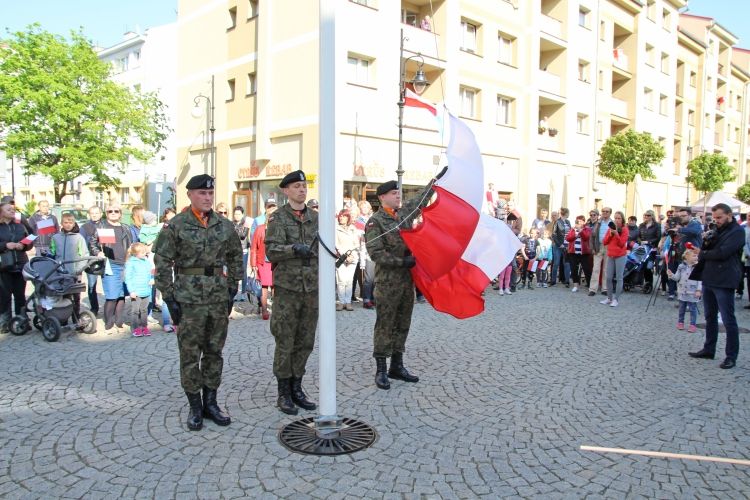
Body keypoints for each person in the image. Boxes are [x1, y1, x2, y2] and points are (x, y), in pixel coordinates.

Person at [154, 174, 243, 430]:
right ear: (190, 195)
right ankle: (195, 406)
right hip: (188, 299)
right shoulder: (177, 225)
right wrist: (169, 297)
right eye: (202, 193)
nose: (207, 197)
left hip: (217, 297)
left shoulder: (224, 225)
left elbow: (236, 257)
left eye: (210, 193)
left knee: (214, 352)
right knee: (190, 354)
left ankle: (211, 403)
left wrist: (232, 288)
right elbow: (162, 263)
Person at [265, 171, 319, 415]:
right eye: (297, 186)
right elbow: (272, 251)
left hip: (311, 289)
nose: (302, 190)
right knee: (285, 341)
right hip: (288, 289)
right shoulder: (278, 218)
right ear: (285, 191)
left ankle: (298, 387)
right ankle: (283, 392)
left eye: (304, 186)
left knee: (305, 341)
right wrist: (293, 249)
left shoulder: (316, 218)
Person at [366, 180, 425, 390]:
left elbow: (420, 200)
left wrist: (436, 183)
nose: (398, 196)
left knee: (403, 323)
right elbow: (376, 253)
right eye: (393, 193)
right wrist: (402, 262)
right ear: (382, 197)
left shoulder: (404, 214)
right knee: (385, 325)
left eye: (399, 192)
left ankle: (397, 366)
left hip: (406, 283)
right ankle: (381, 369)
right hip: (387, 283)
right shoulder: (376, 222)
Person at [688, 203, 745, 369]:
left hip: (725, 279)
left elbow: (723, 253)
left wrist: (702, 252)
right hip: (709, 276)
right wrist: (707, 241)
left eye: (719, 217)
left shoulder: (737, 231)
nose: (717, 221)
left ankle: (731, 356)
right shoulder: (717, 229)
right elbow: (712, 249)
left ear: (729, 215)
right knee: (709, 316)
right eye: (715, 218)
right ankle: (709, 348)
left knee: (728, 319)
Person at [90, 204, 133, 334]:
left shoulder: (125, 227)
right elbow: (92, 243)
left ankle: (119, 321)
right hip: (110, 264)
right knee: (112, 295)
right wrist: (98, 252)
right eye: (110, 211)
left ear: (120, 214)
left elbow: (131, 244)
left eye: (116, 211)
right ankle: (109, 322)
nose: (113, 213)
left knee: (121, 295)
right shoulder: (101, 227)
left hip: (124, 263)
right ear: (106, 214)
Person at [0, 201, 33, 334]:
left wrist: (24, 246)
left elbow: (30, 240)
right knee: (4, 296)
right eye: (8, 210)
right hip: (4, 266)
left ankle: (22, 321)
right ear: (1, 212)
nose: (12, 211)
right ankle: (5, 322)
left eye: (13, 209)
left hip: (20, 264)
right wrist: (5, 245)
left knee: (20, 296)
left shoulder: (20, 226)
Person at [49, 213, 90, 317]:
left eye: (70, 222)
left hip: (74, 272)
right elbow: (52, 253)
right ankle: (64, 317)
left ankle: (76, 317)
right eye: (65, 222)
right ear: (61, 223)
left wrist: (79, 269)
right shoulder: (55, 237)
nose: (68, 225)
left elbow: (84, 254)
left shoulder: (79, 238)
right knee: (63, 296)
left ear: (74, 223)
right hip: (60, 273)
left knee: (76, 296)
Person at [250, 198, 277, 320]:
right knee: (265, 286)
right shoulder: (260, 228)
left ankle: (276, 309)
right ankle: (264, 309)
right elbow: (253, 247)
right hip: (263, 261)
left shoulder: (278, 229)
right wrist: (253, 264)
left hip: (276, 261)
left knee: (275, 285)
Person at [667, 249, 701, 333]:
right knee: (682, 308)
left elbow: (700, 280)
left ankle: (692, 324)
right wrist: (671, 275)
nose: (696, 257)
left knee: (693, 309)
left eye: (696, 256)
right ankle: (680, 322)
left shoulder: (698, 267)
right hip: (682, 291)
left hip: (693, 292)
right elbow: (677, 278)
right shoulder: (681, 267)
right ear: (686, 257)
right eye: (694, 255)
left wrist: (699, 290)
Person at [125, 242, 154, 337]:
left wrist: (152, 279)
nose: (145, 254)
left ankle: (144, 327)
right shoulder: (131, 263)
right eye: (142, 252)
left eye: (145, 252)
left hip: (146, 290)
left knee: (144, 310)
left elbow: (151, 272)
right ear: (136, 253)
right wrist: (131, 291)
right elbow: (128, 278)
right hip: (136, 291)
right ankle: (135, 328)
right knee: (135, 311)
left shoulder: (146, 261)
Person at [600, 211, 629, 307]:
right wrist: (611, 234)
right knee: (608, 277)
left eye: (619, 218)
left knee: (619, 278)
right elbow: (604, 242)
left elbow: (621, 244)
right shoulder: (610, 228)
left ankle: (616, 299)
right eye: (615, 218)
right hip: (611, 254)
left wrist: (617, 234)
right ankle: (609, 298)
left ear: (622, 219)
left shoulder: (624, 229)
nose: (617, 220)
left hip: (620, 255)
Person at [79, 205, 103, 315]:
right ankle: (94, 308)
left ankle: (110, 308)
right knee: (92, 285)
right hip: (91, 260)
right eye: (92, 213)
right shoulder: (84, 227)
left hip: (105, 259)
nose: (94, 215)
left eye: (96, 213)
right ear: (89, 214)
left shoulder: (106, 225)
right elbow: (81, 244)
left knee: (108, 285)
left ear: (101, 214)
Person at [335, 209, 359, 311]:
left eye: (344, 216)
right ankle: (341, 302)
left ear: (348, 217)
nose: (341, 218)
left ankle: (348, 302)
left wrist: (351, 255)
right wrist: (344, 255)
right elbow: (336, 244)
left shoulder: (353, 229)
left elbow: (356, 244)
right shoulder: (335, 229)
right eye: (340, 216)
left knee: (349, 281)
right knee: (341, 281)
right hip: (340, 258)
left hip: (352, 257)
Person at [357, 200, 376, 309]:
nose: (364, 209)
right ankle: (366, 299)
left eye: (366, 207)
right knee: (368, 278)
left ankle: (373, 298)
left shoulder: (374, 218)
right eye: (362, 207)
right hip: (366, 251)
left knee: (374, 278)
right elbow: (360, 237)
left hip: (376, 250)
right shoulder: (358, 221)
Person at [566, 215, 592, 293]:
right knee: (574, 269)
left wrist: (580, 230)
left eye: (580, 221)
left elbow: (586, 237)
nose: (579, 222)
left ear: (584, 222)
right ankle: (575, 285)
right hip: (573, 252)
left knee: (587, 269)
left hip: (584, 253)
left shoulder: (587, 229)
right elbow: (568, 238)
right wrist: (575, 234)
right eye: (577, 221)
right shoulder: (572, 229)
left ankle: (590, 285)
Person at [638, 209, 662, 291]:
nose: (646, 217)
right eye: (645, 215)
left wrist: (649, 242)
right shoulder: (641, 225)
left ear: (652, 216)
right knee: (642, 266)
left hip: (652, 249)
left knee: (649, 266)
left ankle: (649, 284)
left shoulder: (657, 225)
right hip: (643, 248)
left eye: (648, 215)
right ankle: (643, 283)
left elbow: (658, 237)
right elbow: (638, 236)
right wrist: (640, 241)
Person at [589, 208, 610, 296]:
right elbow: (592, 236)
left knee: (606, 269)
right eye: (603, 211)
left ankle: (604, 288)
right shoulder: (598, 223)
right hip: (598, 246)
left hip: (608, 247)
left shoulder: (612, 223)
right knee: (596, 268)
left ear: (610, 213)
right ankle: (593, 289)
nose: (604, 213)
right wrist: (592, 248)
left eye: (607, 212)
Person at [232, 206, 250, 300]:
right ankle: (235, 293)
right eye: (235, 214)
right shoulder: (231, 223)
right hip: (233, 251)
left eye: (239, 214)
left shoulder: (245, 223)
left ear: (242, 214)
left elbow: (243, 235)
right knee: (234, 271)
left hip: (243, 250)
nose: (237, 216)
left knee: (243, 271)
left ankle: (243, 292)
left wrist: (235, 230)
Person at [551, 207, 571, 286]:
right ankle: (553, 281)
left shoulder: (568, 222)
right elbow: (554, 235)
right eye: (568, 213)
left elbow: (570, 233)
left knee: (566, 263)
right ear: (566, 213)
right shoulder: (557, 222)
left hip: (566, 246)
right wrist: (560, 244)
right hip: (558, 246)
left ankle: (567, 281)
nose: (569, 214)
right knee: (556, 263)